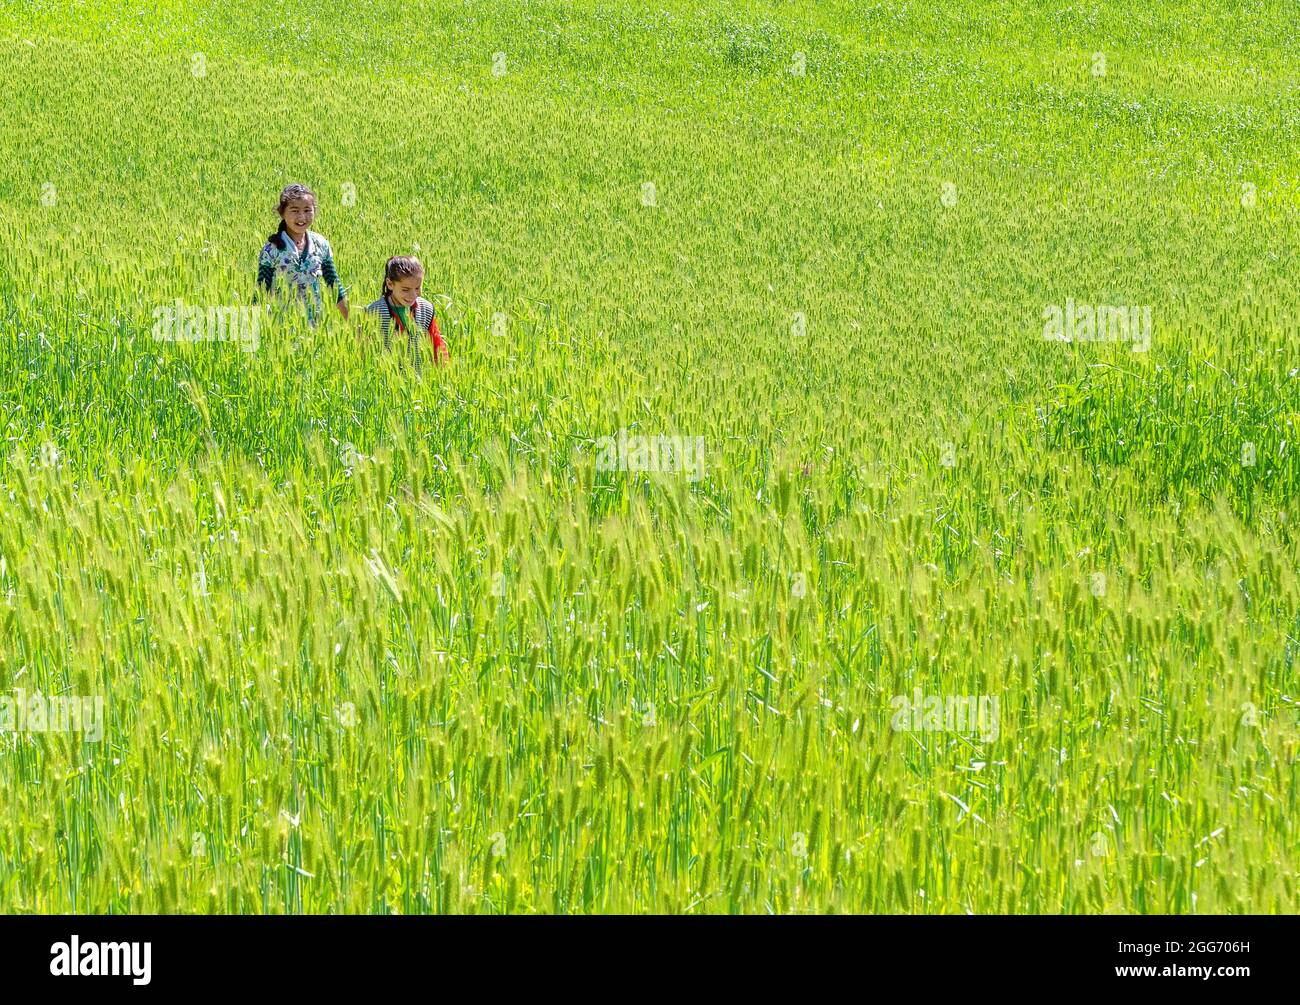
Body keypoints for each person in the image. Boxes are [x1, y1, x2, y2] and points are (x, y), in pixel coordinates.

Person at [256, 183, 349, 324]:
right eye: (294, 210)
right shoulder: (271, 250)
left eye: (307, 210)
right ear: (282, 213)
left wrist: (353, 322)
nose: (302, 217)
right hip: (281, 328)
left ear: (314, 211)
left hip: (315, 327)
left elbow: (334, 285)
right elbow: (261, 291)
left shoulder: (321, 244)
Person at [364, 256, 450, 366]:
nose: (413, 295)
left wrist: (444, 371)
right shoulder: (375, 312)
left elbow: (437, 345)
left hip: (418, 379)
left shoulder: (425, 309)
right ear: (390, 284)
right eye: (405, 290)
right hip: (385, 378)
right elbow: (364, 350)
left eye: (417, 288)